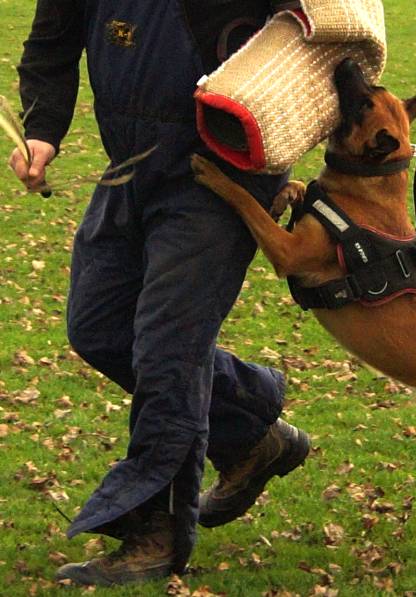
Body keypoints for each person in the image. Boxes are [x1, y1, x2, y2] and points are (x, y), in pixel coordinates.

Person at [8, 0, 309, 586]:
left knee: (169, 352)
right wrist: (42, 131)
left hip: (220, 173)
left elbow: (324, 40)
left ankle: (156, 532)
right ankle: (250, 430)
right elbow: (51, 43)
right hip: (132, 164)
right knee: (98, 326)